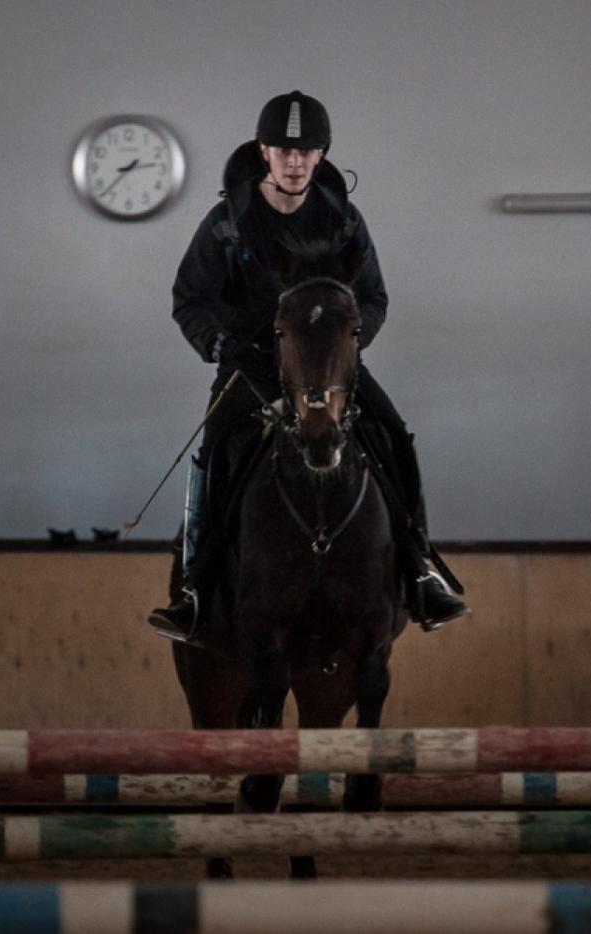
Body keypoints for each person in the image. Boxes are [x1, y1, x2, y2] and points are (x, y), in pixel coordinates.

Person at [149, 90, 467, 643]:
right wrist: (222, 347)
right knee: (213, 454)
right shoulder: (226, 222)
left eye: (307, 151)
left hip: (327, 367)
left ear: (320, 156)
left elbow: (373, 297)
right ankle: (194, 590)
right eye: (283, 150)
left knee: (392, 435)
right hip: (248, 366)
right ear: (264, 152)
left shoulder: (345, 220)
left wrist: (347, 340)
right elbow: (189, 299)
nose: (295, 162)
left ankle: (420, 569)